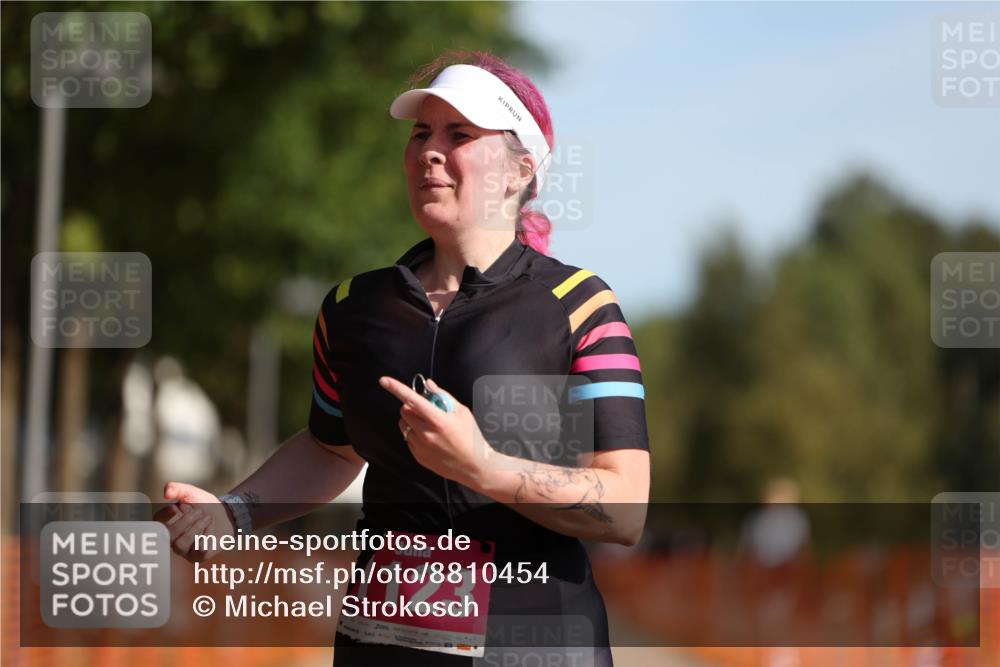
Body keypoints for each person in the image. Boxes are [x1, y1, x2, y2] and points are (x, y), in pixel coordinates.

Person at [159, 50, 650, 666]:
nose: (429, 151)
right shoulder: (353, 307)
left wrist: (484, 467)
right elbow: (330, 447)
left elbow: (625, 504)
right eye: (421, 134)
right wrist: (236, 512)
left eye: (460, 134)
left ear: (520, 171)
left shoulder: (578, 306)